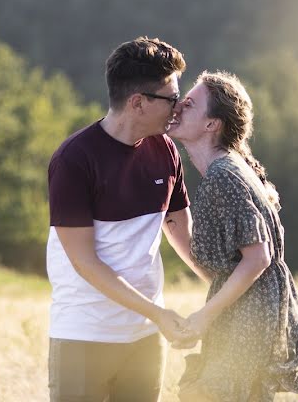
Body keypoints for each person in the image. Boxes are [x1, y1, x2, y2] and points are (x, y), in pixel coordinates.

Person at [46, 36, 202, 402]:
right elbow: (84, 262)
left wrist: (224, 288)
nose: (178, 108)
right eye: (171, 99)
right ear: (137, 103)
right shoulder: (73, 160)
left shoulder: (165, 150)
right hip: (84, 336)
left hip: (145, 338)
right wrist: (159, 314)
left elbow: (183, 233)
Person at [167, 70, 298, 402]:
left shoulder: (222, 175)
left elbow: (258, 258)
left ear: (212, 124)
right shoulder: (231, 167)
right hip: (252, 311)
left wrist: (203, 318)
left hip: (248, 317)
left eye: (189, 104)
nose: (177, 107)